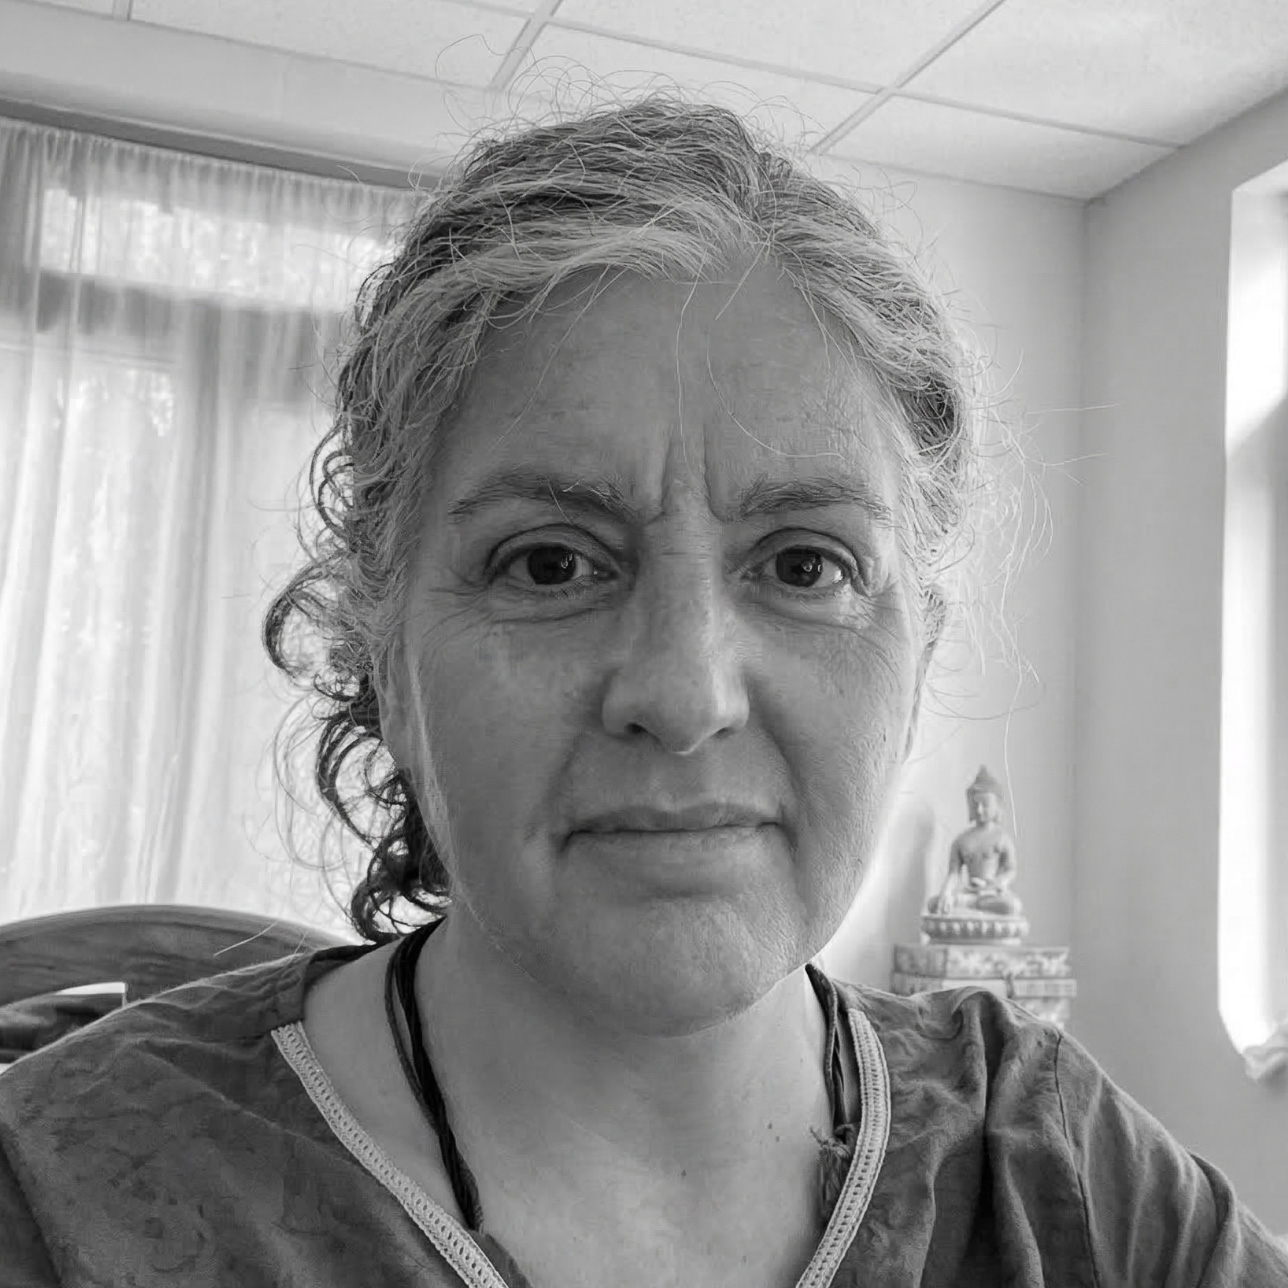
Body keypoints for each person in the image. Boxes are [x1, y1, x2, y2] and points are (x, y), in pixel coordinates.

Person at [1, 96, 1284, 1288]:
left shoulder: (1061, 1182)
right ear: (376, 646)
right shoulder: (66, 1192)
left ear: (919, 654)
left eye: (805, 565)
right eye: (549, 562)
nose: (683, 694)